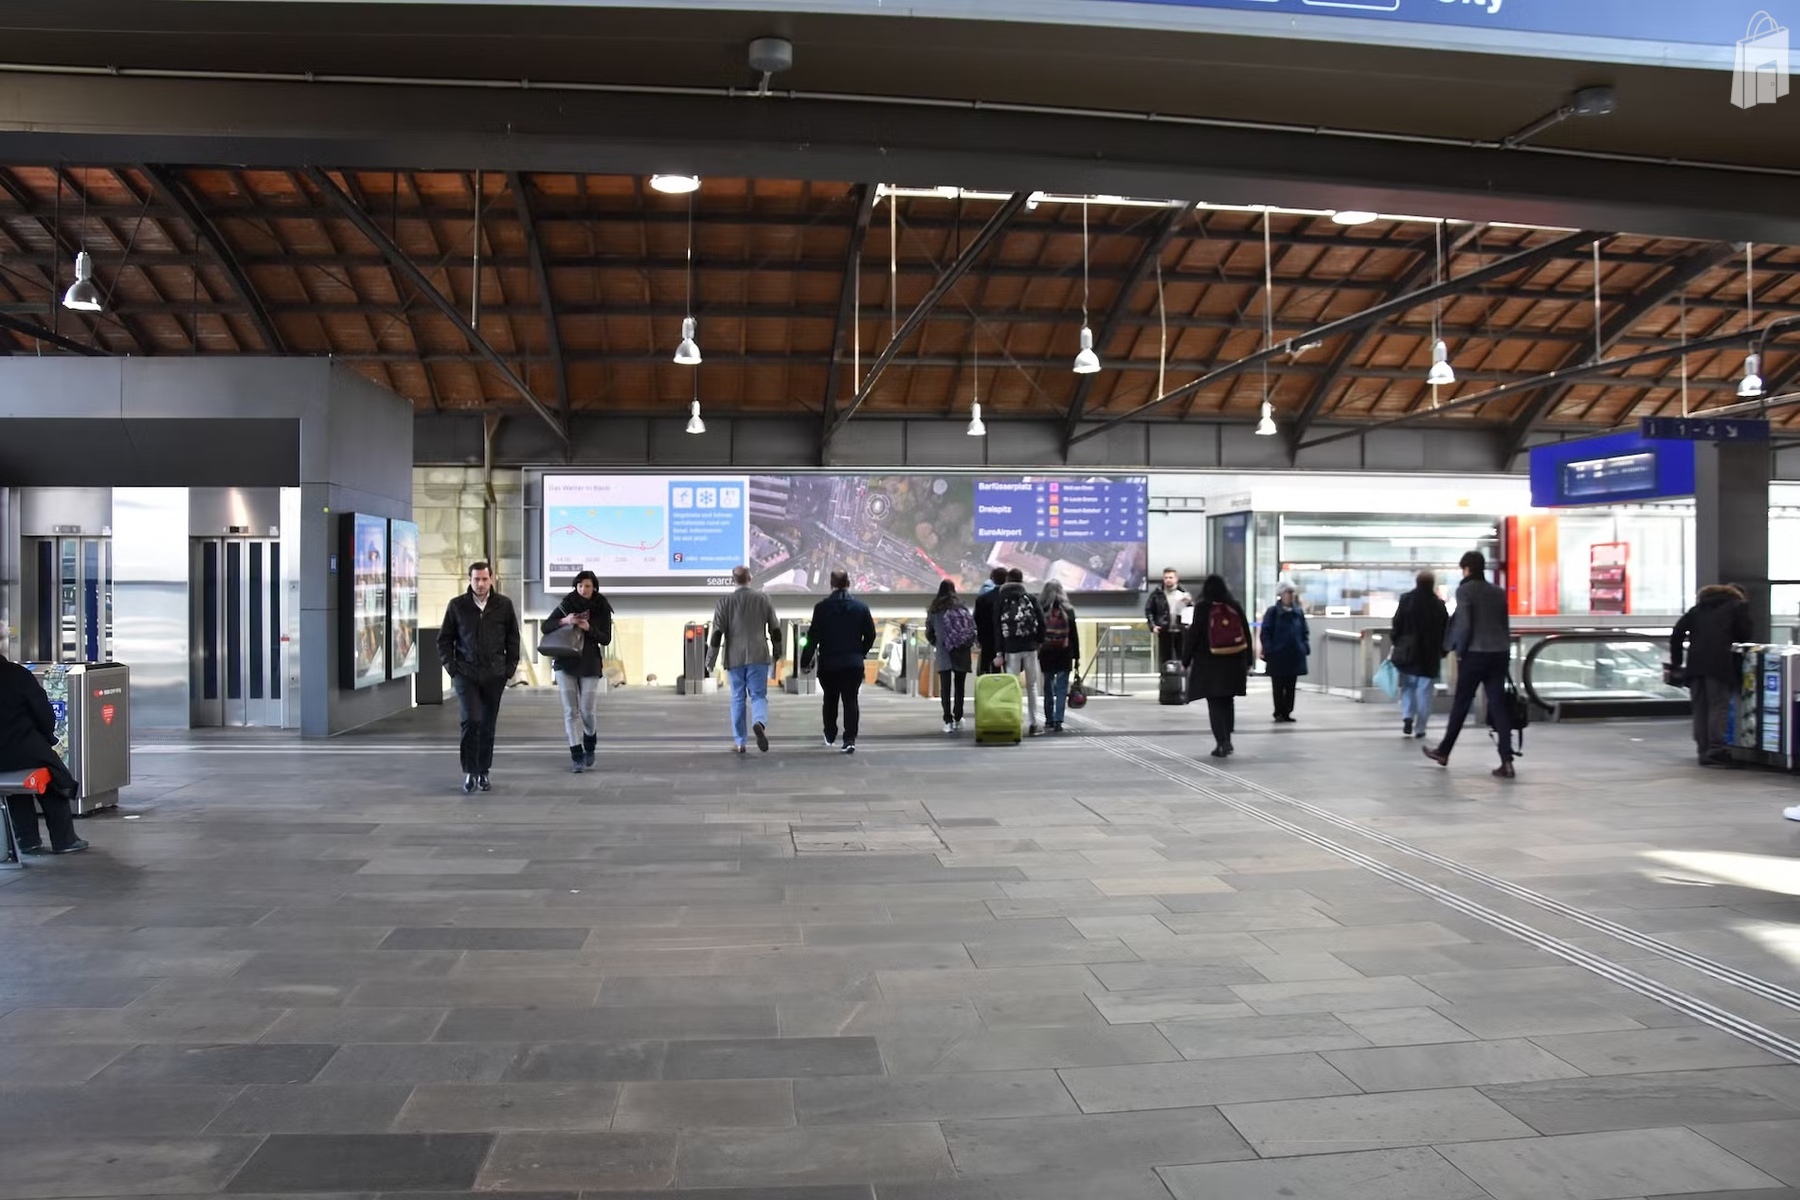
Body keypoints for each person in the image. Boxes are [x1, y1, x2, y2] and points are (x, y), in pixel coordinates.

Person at [1424, 550, 1516, 779]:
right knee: (1498, 706)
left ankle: (1444, 752)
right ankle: (1507, 761)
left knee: (1461, 704)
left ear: (1466, 569)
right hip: (1499, 653)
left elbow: (1464, 625)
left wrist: (1459, 651)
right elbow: (1504, 624)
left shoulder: (1465, 590)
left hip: (1475, 654)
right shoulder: (1498, 592)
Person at [436, 561, 522, 794]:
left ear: (491, 579)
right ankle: (469, 772)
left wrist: (509, 668)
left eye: (484, 579)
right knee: (470, 720)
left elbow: (513, 638)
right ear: (470, 580)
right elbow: (444, 639)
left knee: (487, 724)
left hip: (494, 674)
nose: (481, 584)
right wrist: (452, 668)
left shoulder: (503, 605)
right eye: (476, 579)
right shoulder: (457, 606)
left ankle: (483, 771)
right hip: (466, 673)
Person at [0, 651, 88, 856]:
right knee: (55, 781)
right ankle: (64, 840)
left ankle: (27, 840)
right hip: (24, 749)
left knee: (14, 791)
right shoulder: (16, 674)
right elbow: (43, 712)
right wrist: (48, 737)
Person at [1671, 583, 1753, 768]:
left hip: (1695, 666)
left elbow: (1677, 633)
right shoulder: (1736, 607)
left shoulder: (1697, 609)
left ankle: (1703, 750)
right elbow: (1744, 635)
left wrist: (1676, 662)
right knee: (1718, 705)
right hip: (1719, 664)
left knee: (1701, 708)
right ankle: (1716, 750)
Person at [543, 570, 614, 773]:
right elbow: (546, 626)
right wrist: (565, 621)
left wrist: (588, 627)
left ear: (595, 587)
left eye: (588, 586)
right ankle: (576, 755)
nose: (583, 589)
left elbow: (606, 638)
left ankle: (590, 742)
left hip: (590, 662)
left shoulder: (602, 607)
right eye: (580, 585)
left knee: (587, 711)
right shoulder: (567, 603)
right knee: (570, 712)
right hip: (565, 661)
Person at [707, 565, 782, 754]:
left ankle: (740, 742)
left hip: (734, 657)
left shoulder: (724, 602)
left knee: (738, 698)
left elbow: (716, 634)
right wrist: (778, 650)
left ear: (733, 580)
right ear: (750, 578)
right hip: (759, 654)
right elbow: (775, 628)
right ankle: (759, 722)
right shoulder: (763, 599)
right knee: (758, 696)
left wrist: (710, 660)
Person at [1182, 574, 1253, 758]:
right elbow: (1245, 632)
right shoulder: (1234, 605)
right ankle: (1227, 739)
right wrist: (1248, 660)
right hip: (1233, 662)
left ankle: (1220, 742)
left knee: (1214, 703)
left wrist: (1185, 659)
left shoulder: (1203, 608)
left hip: (1209, 664)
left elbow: (1194, 635)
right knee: (1228, 701)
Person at [1390, 570, 1450, 741]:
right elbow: (1446, 629)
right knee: (1424, 691)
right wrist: (1443, 651)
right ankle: (1421, 728)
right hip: (1430, 655)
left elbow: (1397, 623)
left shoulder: (1406, 600)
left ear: (1416, 583)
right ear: (1432, 585)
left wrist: (1397, 641)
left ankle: (1407, 716)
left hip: (1408, 652)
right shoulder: (1438, 605)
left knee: (1408, 687)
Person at [994, 567, 1046, 737]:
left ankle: (1013, 721)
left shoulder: (1001, 599)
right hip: (1030, 648)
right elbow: (1041, 621)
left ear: (1008, 580)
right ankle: (1033, 723)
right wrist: (1038, 642)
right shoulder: (1030, 598)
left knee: (1012, 686)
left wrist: (999, 652)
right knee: (1031, 686)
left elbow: (997, 627)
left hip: (1011, 649)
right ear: (1022, 580)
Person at [925, 580, 976, 733]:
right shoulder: (962, 605)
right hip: (961, 650)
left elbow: (929, 632)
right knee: (959, 686)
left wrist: (938, 642)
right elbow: (971, 627)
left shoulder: (935, 608)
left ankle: (948, 720)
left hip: (944, 650)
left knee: (945, 687)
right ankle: (958, 717)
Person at [1260, 582, 1310, 723]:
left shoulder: (1298, 612)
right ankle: (1278, 712)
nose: (1290, 595)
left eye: (1292, 592)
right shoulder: (1273, 612)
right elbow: (1266, 632)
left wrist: (1304, 646)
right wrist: (1270, 649)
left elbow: (1304, 631)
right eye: (1288, 592)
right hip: (1278, 655)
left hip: (1294, 654)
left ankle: (1287, 712)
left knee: (1290, 686)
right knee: (1278, 686)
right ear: (1281, 595)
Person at [1038, 580, 1081, 733]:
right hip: (1065, 653)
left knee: (1047, 686)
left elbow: (1039, 633)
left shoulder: (1041, 609)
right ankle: (1058, 720)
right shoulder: (1069, 610)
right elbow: (1074, 635)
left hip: (1046, 653)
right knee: (1062, 688)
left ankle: (1049, 719)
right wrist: (1077, 656)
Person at [1146, 568, 1193, 665]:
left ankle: (1182, 678)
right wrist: (1153, 625)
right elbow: (1149, 610)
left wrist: (1189, 624)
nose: (1168, 580)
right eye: (1166, 578)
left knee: (1182, 656)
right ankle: (1165, 678)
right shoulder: (1157, 594)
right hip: (1164, 629)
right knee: (1165, 658)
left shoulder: (1184, 594)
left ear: (1176, 579)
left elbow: (1190, 610)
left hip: (1181, 630)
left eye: (1170, 577)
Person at [972, 567, 1009, 677]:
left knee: (988, 671)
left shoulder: (982, 599)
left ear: (992, 579)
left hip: (987, 639)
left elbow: (976, 619)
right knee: (1010, 672)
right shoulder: (1010, 598)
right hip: (1007, 639)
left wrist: (979, 638)